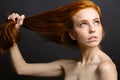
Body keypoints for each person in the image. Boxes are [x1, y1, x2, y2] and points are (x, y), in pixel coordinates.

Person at [0, 0, 118, 80]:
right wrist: (11, 31)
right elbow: (21, 69)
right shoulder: (68, 65)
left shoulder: (105, 67)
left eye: (96, 22)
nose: (92, 29)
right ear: (72, 34)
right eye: (83, 24)